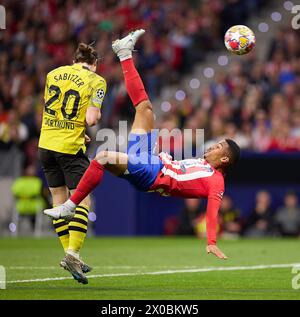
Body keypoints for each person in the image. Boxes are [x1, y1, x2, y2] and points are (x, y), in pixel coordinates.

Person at [44, 30, 240, 283]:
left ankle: (70, 206)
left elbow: (213, 211)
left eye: (219, 147)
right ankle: (125, 53)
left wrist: (211, 241)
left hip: (151, 175)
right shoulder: (202, 163)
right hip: (152, 158)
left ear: (224, 160)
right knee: (145, 109)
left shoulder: (216, 182)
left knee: (103, 157)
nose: (213, 146)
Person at [38, 43, 107, 284]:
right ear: (94, 64)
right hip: (69, 147)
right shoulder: (97, 81)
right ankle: (73, 253)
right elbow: (90, 118)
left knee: (59, 201)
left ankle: (69, 254)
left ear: (74, 59)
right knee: (82, 199)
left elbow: (54, 110)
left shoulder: (53, 74)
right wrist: (94, 117)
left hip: (46, 144)